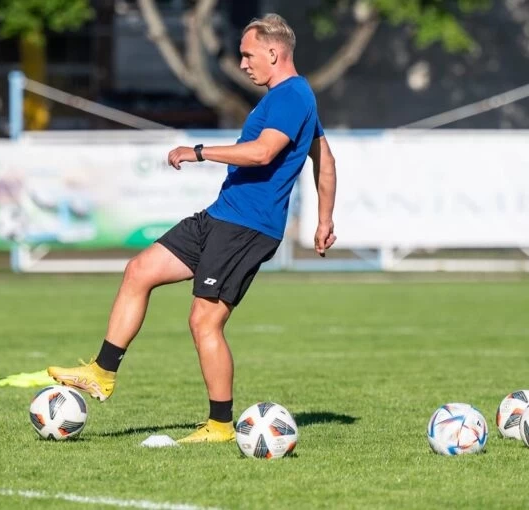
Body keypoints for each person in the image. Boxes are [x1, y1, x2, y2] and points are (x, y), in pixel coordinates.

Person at [47, 13, 337, 443]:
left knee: (204, 321)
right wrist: (325, 219)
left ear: (274, 53)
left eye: (248, 55)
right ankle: (102, 372)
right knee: (140, 270)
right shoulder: (287, 98)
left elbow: (262, 153)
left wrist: (198, 152)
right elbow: (325, 160)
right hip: (222, 214)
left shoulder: (293, 95)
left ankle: (220, 425)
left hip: (247, 227)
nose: (243, 64)